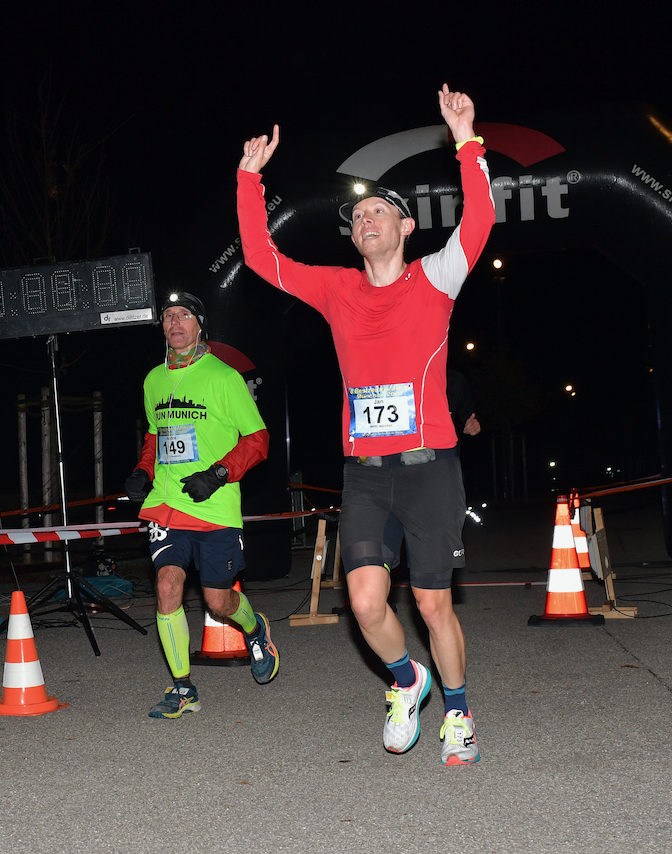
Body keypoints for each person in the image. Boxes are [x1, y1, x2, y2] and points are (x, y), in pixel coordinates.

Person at [236, 85, 494, 764]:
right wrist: (248, 179)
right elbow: (263, 260)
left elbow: (480, 220)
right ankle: (407, 683)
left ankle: (460, 714)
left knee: (435, 605)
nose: (366, 219)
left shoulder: (437, 277)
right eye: (358, 216)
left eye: (380, 210)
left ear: (406, 227)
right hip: (366, 477)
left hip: (431, 467)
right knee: (363, 600)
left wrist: (466, 139)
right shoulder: (336, 288)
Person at [125, 292, 277, 719]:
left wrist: (218, 474)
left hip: (214, 507)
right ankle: (182, 688)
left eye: (184, 315)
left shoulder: (224, 378)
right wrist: (144, 470)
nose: (175, 323)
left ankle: (255, 628)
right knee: (168, 586)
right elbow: (156, 435)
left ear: (199, 324)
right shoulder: (153, 379)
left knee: (217, 601)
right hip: (167, 505)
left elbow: (258, 439)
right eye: (168, 317)